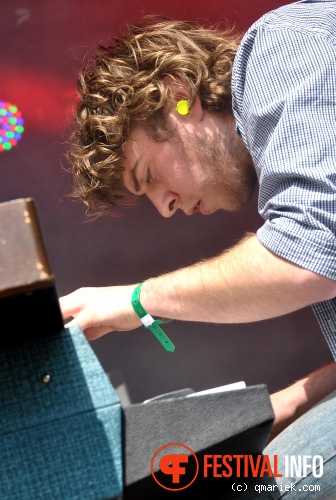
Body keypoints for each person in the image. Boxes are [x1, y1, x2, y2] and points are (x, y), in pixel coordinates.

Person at [60, 0, 336, 496]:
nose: (165, 209)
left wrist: (136, 301)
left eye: (147, 176)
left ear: (179, 96)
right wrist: (295, 399)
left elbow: (309, 258)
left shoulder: (281, 47)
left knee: (255, 490)